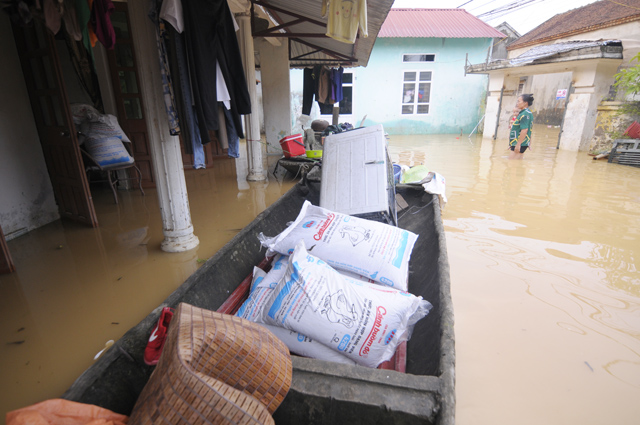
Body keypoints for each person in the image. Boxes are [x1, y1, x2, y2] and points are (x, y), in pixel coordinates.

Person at [509, 94, 534, 159]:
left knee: (511, 164)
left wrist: (518, 144)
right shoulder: (525, 113)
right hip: (520, 142)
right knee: (517, 164)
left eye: (519, 101)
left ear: (525, 103)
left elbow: (525, 130)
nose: (517, 103)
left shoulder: (525, 114)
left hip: (520, 143)